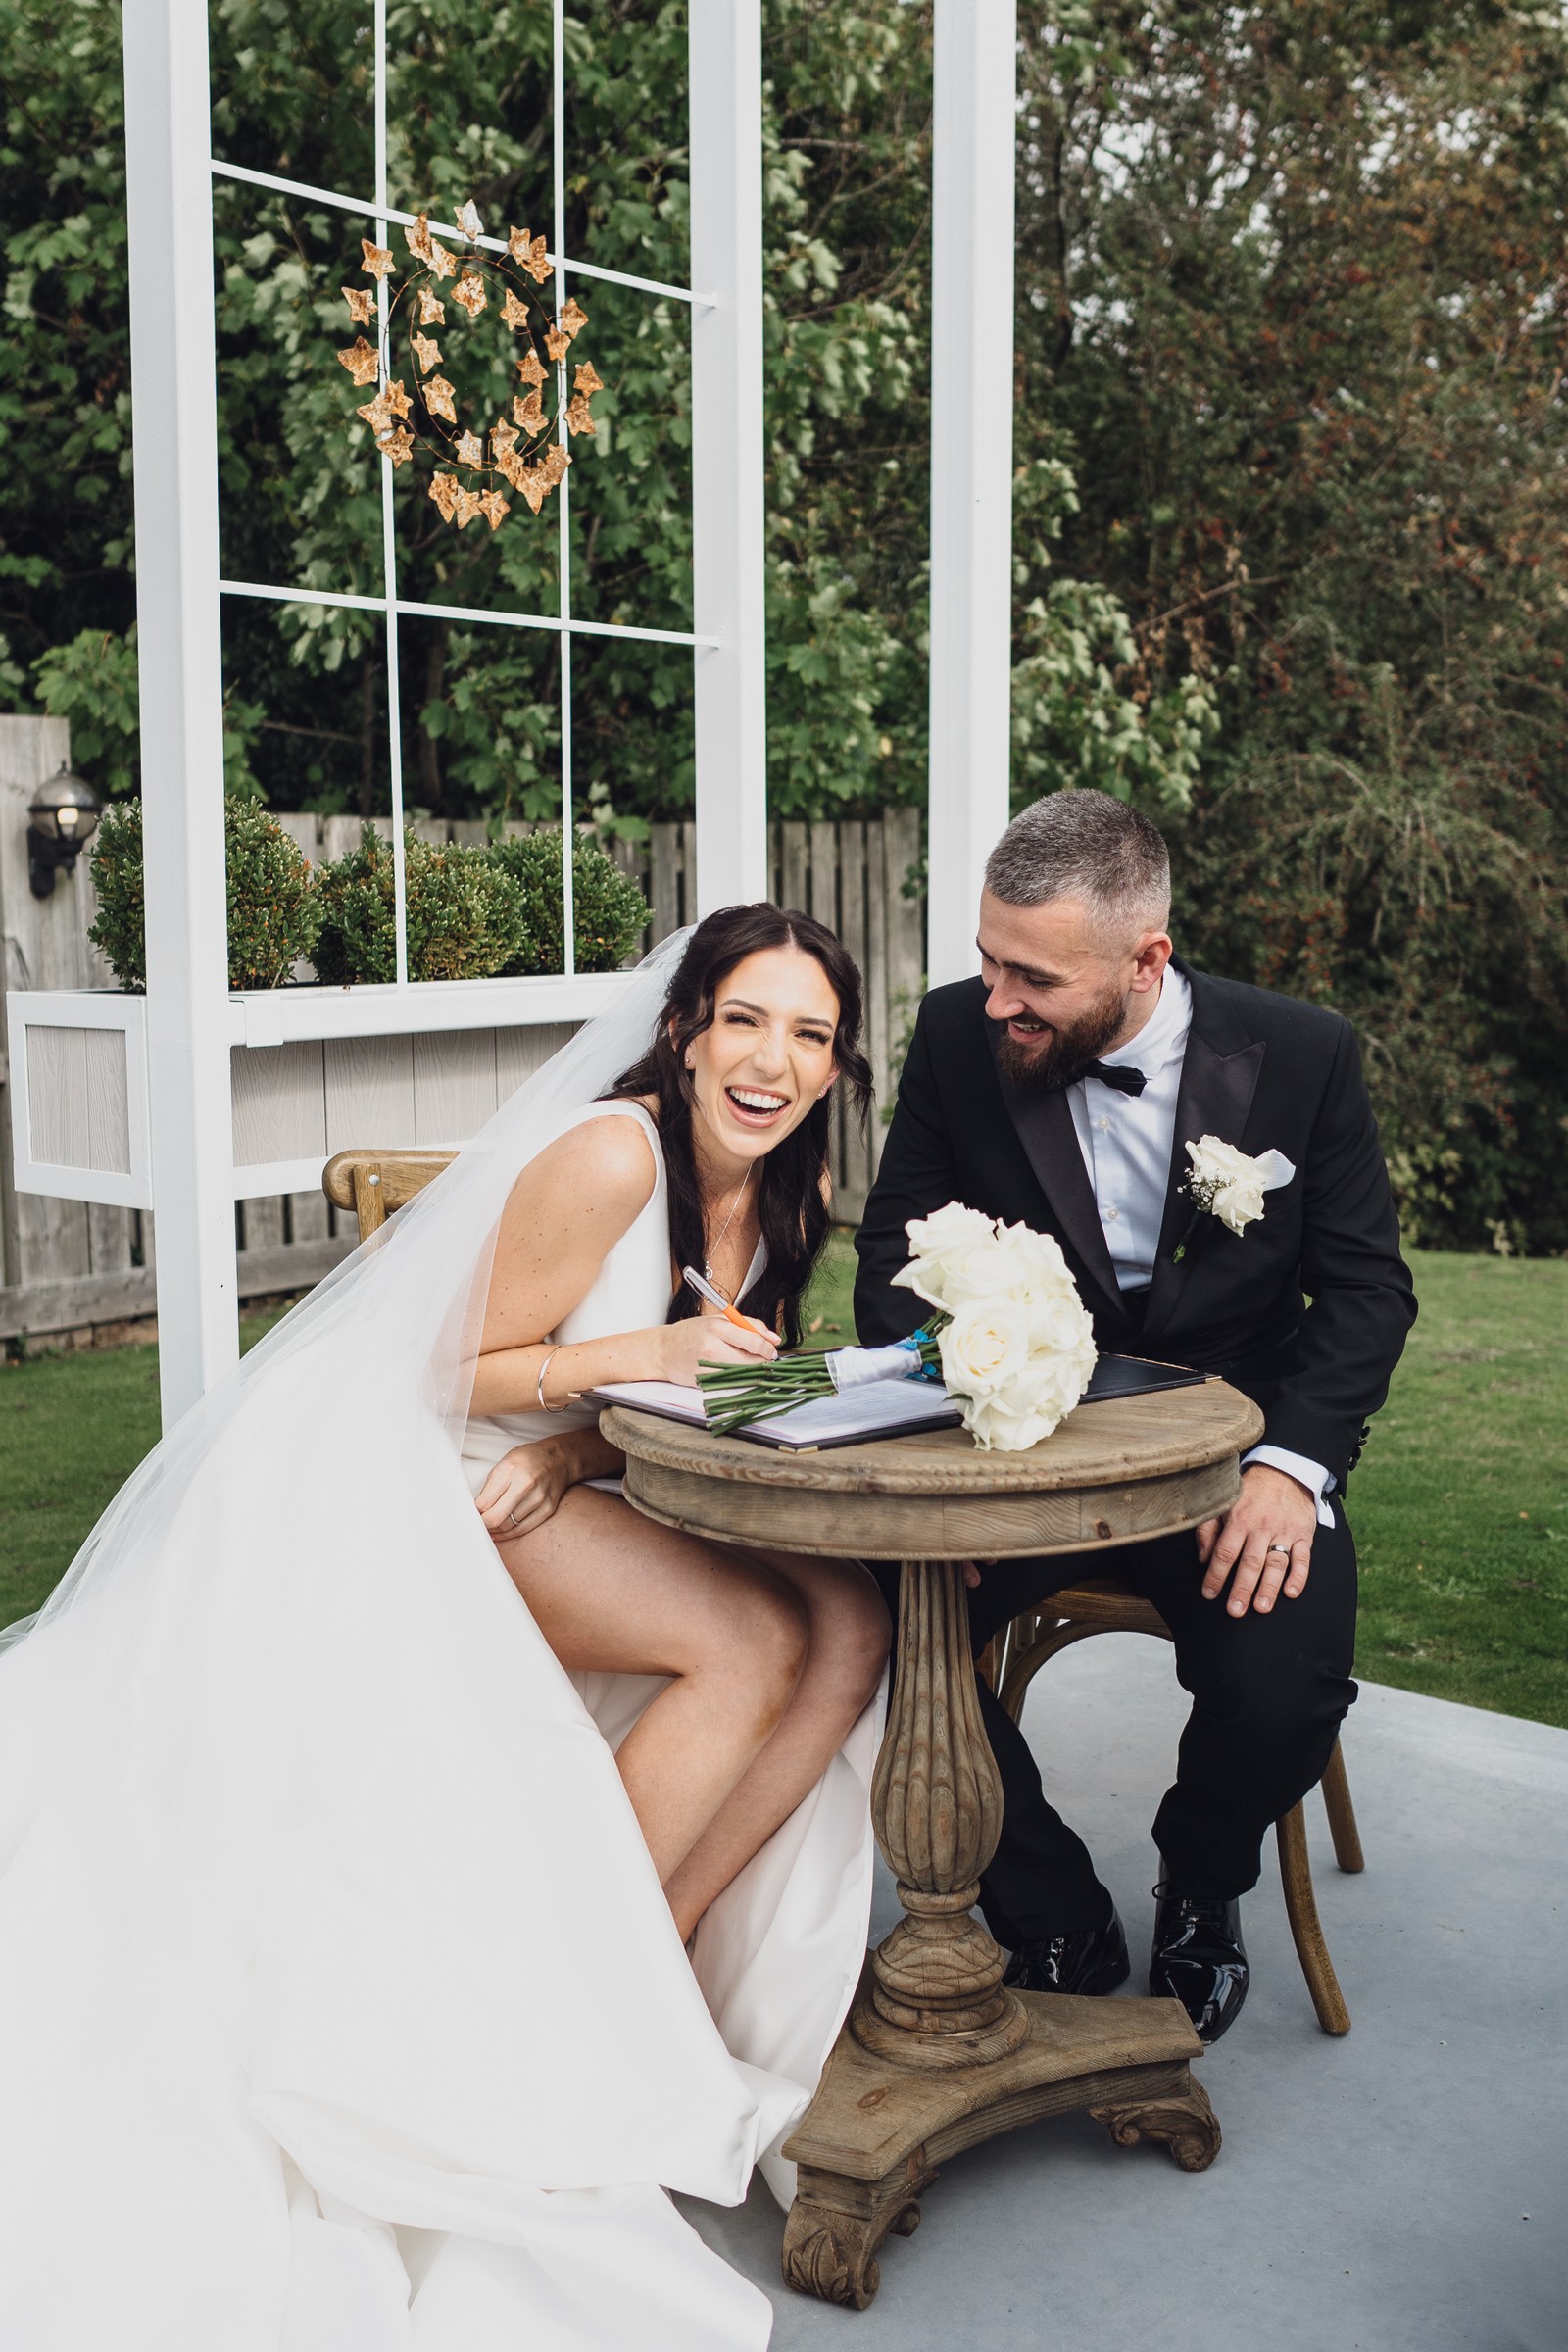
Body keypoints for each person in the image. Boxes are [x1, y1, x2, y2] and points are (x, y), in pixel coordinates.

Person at [0, 906, 890, 2352]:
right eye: (744, 1019)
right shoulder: (614, 1155)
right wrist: (610, 1386)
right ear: (684, 1030)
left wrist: (592, 1446)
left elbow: (726, 1383)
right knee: (748, 1646)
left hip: (563, 1465)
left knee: (851, 1618)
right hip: (422, 1475)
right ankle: (586, 1979)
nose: (771, 1062)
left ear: (836, 1064)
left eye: (809, 1035)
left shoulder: (793, 1185)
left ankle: (655, 1948)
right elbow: (432, 1368)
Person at [855, 790, 1415, 2042]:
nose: (996, 1000)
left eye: (1034, 979)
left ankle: (1199, 1883)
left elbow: (1368, 1292)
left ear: (1146, 960)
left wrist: (1291, 1466)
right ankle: (1047, 1899)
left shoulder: (1304, 1054)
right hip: (1024, 1459)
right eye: (989, 960)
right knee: (863, 1626)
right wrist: (958, 1459)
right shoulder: (955, 1036)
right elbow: (892, 1260)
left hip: (1230, 1466)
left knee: (1280, 1689)